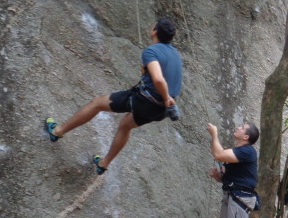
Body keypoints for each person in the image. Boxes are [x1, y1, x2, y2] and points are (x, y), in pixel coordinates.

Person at [43, 18, 184, 175]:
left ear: (154, 31)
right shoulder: (176, 54)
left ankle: (57, 131)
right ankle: (103, 164)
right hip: (162, 110)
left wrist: (165, 97)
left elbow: (158, 79)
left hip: (148, 101)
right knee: (125, 125)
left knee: (96, 103)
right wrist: (166, 100)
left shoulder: (151, 52)